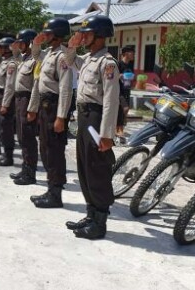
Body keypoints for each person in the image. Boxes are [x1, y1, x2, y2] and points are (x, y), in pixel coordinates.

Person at [64, 15, 120, 240]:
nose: (83, 37)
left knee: (97, 168)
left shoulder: (107, 63)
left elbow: (111, 100)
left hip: (96, 119)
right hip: (85, 119)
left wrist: (107, 134)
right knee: (85, 167)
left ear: (100, 36)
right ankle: (91, 215)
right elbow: (70, 61)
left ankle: (99, 223)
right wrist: (72, 46)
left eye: (87, 34)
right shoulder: (89, 59)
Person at [27, 17, 73, 208]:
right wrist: (36, 43)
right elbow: (36, 55)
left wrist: (61, 116)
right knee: (45, 148)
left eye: (48, 33)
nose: (44, 36)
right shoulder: (50, 54)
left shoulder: (63, 57)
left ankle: (56, 195)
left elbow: (65, 88)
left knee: (54, 151)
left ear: (57, 35)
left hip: (55, 107)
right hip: (45, 106)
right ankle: (50, 189)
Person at [10, 29, 40, 184]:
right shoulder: (23, 59)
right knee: (21, 136)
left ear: (30, 43)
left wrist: (32, 108)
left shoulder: (36, 60)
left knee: (28, 137)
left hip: (27, 100)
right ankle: (25, 168)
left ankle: (30, 173)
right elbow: (15, 57)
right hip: (19, 99)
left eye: (21, 42)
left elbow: (36, 86)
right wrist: (15, 47)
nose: (19, 45)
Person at [0, 37, 17, 166]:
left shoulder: (11, 64)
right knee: (0, 127)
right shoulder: (4, 62)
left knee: (6, 129)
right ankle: (4, 155)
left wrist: (5, 104)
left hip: (5, 97)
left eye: (2, 47)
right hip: (0, 95)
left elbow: (10, 86)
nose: (0, 49)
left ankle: (9, 157)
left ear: (8, 48)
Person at [117, 45, 135, 137]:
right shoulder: (119, 64)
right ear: (126, 54)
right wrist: (122, 76)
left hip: (127, 90)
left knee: (124, 110)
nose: (133, 54)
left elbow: (132, 76)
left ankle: (119, 128)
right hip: (119, 90)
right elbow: (113, 76)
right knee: (124, 108)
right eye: (132, 52)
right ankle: (119, 129)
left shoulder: (130, 65)